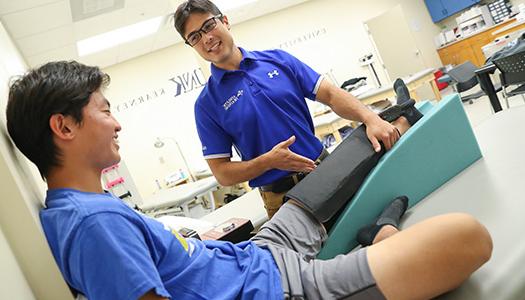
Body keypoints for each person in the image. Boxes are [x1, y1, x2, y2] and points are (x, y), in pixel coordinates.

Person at [6, 61, 492, 300]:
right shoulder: (91, 226)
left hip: (256, 251)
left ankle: (398, 122)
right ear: (64, 127)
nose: (117, 124)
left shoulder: (85, 207)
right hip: (281, 286)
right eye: (105, 111)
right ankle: (383, 235)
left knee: (345, 160)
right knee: (468, 236)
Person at [174, 0, 411, 218]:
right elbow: (222, 173)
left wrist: (370, 117)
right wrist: (268, 161)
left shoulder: (278, 60)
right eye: (194, 36)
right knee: (318, 263)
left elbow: (329, 94)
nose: (206, 38)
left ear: (224, 21)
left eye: (208, 26)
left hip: (327, 172)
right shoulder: (206, 105)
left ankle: (406, 116)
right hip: (281, 200)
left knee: (363, 231)